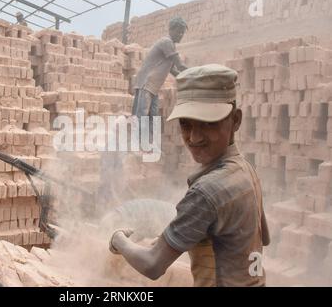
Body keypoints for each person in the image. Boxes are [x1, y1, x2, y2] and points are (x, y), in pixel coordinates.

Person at [110, 64, 270, 287]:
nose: (194, 137)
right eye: (186, 124)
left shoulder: (207, 192)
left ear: (236, 120)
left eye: (208, 124)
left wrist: (118, 239)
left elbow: (152, 265)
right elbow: (249, 239)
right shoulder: (246, 170)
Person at [132, 17, 188, 139]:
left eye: (182, 32)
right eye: (179, 31)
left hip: (154, 88)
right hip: (146, 84)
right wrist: (196, 74)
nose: (181, 35)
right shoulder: (166, 42)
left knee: (154, 117)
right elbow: (180, 65)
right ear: (170, 29)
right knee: (142, 115)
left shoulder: (171, 45)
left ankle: (150, 145)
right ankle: (136, 146)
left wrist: (185, 78)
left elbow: (173, 70)